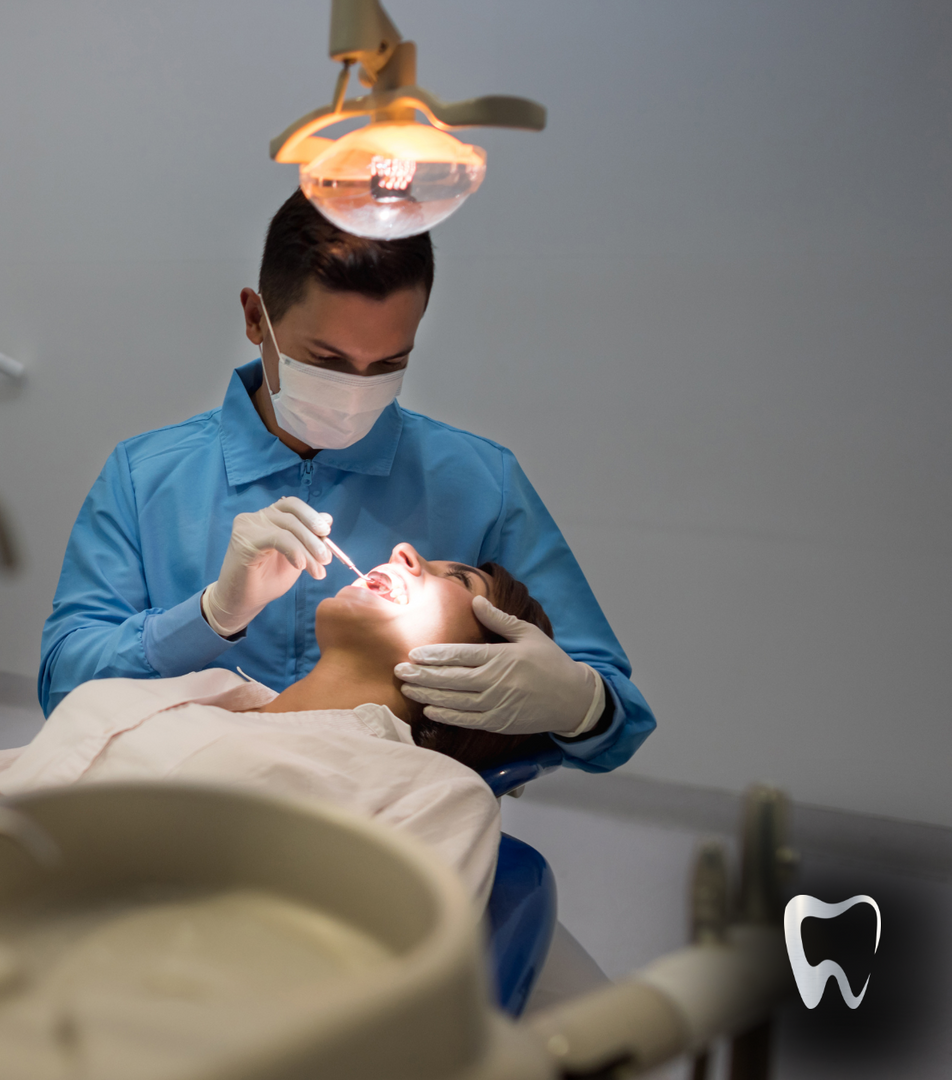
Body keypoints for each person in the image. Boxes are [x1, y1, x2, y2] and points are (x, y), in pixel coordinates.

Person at [39, 190, 652, 772]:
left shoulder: (478, 482)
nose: (357, 388)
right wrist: (210, 617)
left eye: (389, 364)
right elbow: (63, 686)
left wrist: (581, 704)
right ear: (257, 319)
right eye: (328, 362)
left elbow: (618, 721)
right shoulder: (146, 477)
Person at [0, 544, 561, 905]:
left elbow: (346, 989)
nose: (404, 552)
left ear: (485, 667)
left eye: (452, 578)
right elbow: (31, 767)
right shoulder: (208, 690)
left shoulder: (438, 792)